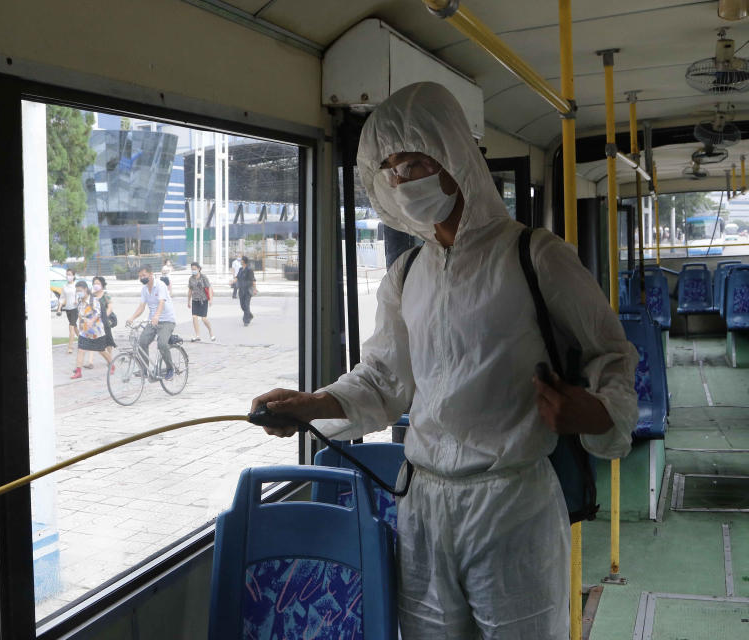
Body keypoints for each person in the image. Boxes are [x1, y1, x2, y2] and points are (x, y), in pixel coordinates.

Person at [250, 82, 638, 639]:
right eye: (390, 169)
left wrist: (598, 413)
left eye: (414, 162)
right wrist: (313, 404)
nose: (402, 181)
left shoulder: (535, 256)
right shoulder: (407, 275)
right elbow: (384, 379)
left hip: (511, 502)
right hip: (424, 502)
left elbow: (612, 353)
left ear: (455, 155)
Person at [126, 265, 176, 380]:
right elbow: (142, 306)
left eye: (144, 275)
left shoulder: (160, 285)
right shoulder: (144, 289)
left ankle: (170, 369)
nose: (142, 278)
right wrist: (132, 318)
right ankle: (144, 369)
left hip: (167, 320)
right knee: (142, 341)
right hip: (153, 320)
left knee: (162, 344)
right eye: (140, 276)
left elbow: (161, 302)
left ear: (151, 274)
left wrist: (157, 316)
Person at [70, 279, 113, 379]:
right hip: (85, 332)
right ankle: (78, 371)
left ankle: (112, 364)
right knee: (81, 349)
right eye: (77, 291)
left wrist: (91, 321)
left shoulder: (93, 300)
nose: (78, 292)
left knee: (101, 350)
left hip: (96, 332)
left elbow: (98, 312)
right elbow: (80, 315)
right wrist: (81, 324)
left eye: (80, 290)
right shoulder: (80, 303)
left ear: (86, 289)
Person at [82, 275, 116, 369]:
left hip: (104, 321)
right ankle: (90, 362)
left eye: (98, 283)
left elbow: (110, 307)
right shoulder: (92, 296)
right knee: (92, 339)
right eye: (94, 283)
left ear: (102, 285)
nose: (96, 285)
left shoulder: (105, 295)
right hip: (94, 322)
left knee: (108, 341)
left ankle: (110, 360)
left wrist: (104, 317)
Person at [186, 261, 215, 342]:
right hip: (195, 300)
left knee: (204, 319)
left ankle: (211, 332)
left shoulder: (203, 277)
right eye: (192, 269)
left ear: (199, 269)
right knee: (194, 317)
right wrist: (188, 301)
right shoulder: (191, 278)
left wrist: (210, 300)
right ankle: (197, 335)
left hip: (203, 300)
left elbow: (209, 288)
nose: (193, 271)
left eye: (194, 269)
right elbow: (190, 290)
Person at [57, 268, 80, 353]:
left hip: (75, 309)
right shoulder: (64, 286)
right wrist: (59, 308)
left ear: (73, 276)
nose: (68, 276)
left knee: (71, 327)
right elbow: (62, 298)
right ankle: (83, 341)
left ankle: (70, 347)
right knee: (74, 326)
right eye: (67, 274)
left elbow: (79, 295)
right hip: (68, 309)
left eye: (70, 274)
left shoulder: (76, 285)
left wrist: (77, 300)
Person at [236, 256, 256, 326]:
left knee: (246, 305)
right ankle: (250, 315)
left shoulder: (249, 270)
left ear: (244, 261)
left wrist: (254, 289)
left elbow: (253, 280)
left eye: (241, 260)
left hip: (247, 290)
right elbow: (237, 277)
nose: (240, 261)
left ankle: (246, 320)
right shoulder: (240, 269)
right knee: (242, 305)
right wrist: (233, 281)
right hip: (241, 290)